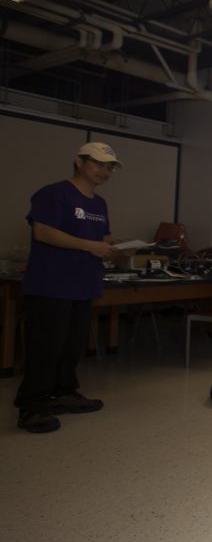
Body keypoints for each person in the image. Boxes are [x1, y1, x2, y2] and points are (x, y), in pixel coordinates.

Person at [14, 142, 121, 433]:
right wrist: (90, 246)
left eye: (109, 166)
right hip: (51, 284)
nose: (104, 171)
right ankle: (32, 406)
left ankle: (64, 393)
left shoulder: (99, 204)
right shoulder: (54, 194)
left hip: (83, 284)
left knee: (72, 346)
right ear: (78, 161)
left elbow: (104, 236)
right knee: (45, 347)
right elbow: (43, 231)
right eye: (98, 163)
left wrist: (113, 246)